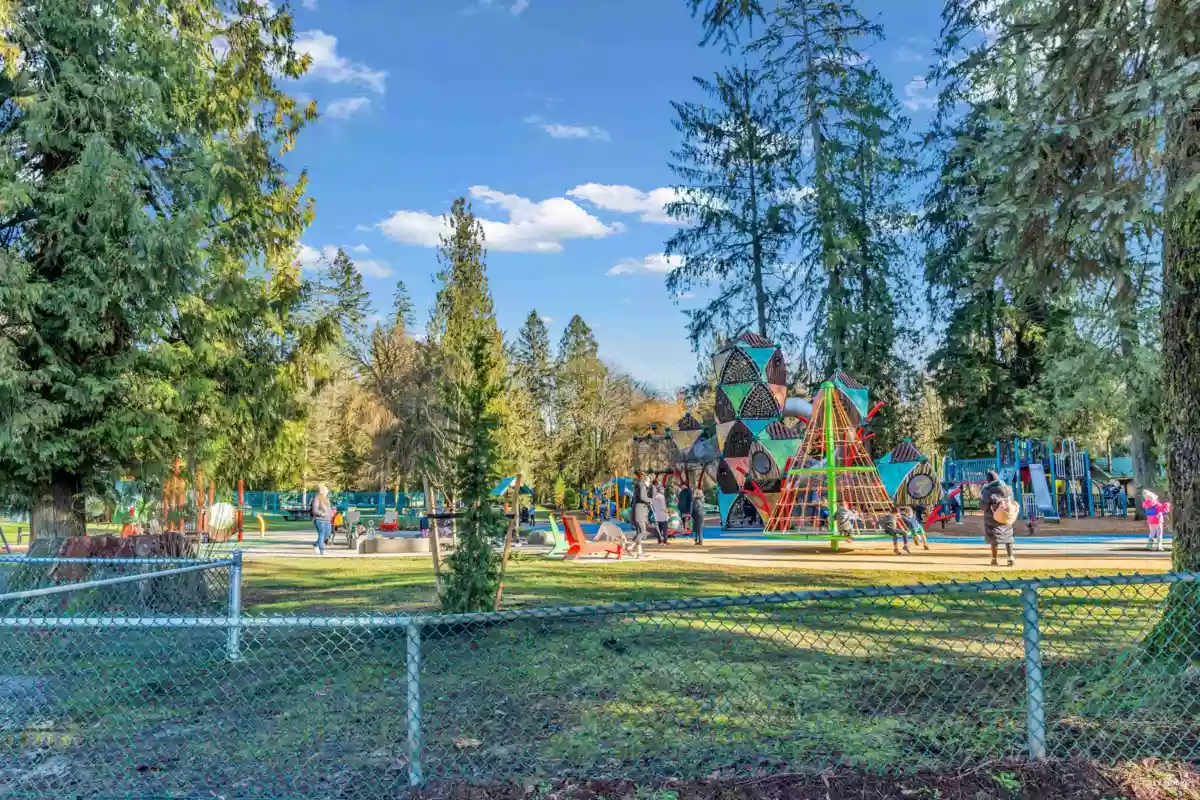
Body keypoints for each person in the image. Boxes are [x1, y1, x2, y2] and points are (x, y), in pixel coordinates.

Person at [980, 470, 1016, 566]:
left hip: (993, 518)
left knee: (994, 538)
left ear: (988, 480)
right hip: (1006, 516)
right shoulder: (1007, 488)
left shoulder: (988, 491)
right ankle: (1010, 558)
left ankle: (994, 559)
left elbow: (983, 506)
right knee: (1008, 536)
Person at [630, 471, 652, 558]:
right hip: (640, 512)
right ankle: (630, 546)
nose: (649, 483)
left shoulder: (637, 487)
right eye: (649, 481)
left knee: (639, 533)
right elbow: (643, 497)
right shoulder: (642, 486)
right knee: (643, 532)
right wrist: (650, 500)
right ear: (646, 480)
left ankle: (640, 553)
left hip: (636, 511)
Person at [311, 484, 333, 555]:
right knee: (322, 534)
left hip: (327, 520)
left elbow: (328, 509)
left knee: (328, 533)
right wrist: (322, 514)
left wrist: (331, 513)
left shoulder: (326, 499)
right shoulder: (316, 499)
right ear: (323, 492)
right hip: (320, 520)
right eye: (326, 491)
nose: (328, 492)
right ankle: (322, 550)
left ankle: (316, 544)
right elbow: (314, 511)